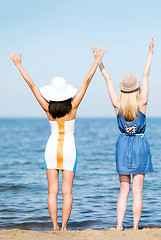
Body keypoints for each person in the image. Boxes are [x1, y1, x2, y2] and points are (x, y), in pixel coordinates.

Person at [10, 46, 105, 230]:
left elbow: (32, 86)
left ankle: (54, 226)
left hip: (51, 148)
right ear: (66, 92)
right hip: (69, 149)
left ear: (52, 93)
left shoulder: (47, 108)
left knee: (52, 191)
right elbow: (86, 81)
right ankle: (63, 228)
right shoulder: (74, 106)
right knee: (67, 191)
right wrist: (96, 60)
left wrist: (18, 65)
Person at [95, 39, 154, 230]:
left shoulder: (117, 104)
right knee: (137, 192)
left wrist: (99, 61)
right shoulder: (142, 102)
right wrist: (150, 52)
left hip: (123, 145)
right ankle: (135, 228)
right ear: (136, 88)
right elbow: (146, 74)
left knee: (123, 191)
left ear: (123, 89)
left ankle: (119, 226)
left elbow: (107, 79)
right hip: (139, 145)